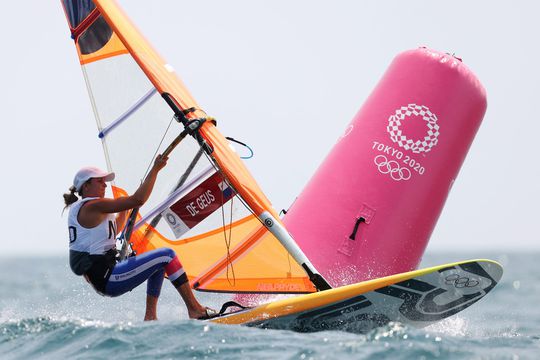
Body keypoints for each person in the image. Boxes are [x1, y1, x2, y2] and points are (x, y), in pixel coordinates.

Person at [63, 154, 215, 321]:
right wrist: (155, 169)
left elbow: (116, 231)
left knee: (158, 262)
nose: (104, 185)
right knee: (167, 255)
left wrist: (125, 208)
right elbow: (138, 199)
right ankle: (195, 309)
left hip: (106, 275)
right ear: (86, 186)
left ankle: (150, 317)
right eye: (100, 181)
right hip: (108, 276)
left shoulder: (90, 209)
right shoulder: (92, 205)